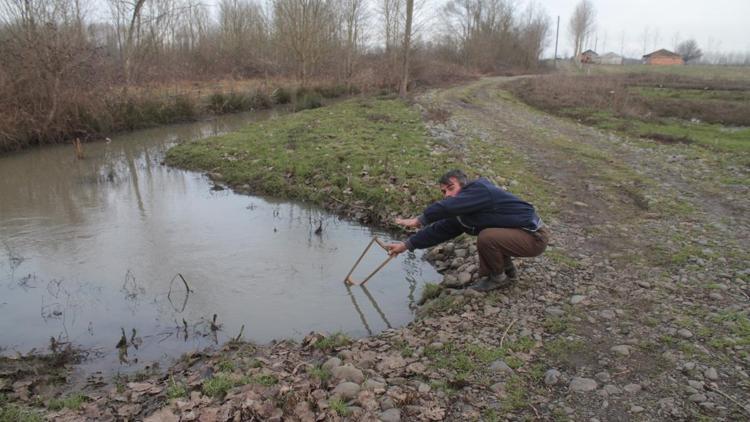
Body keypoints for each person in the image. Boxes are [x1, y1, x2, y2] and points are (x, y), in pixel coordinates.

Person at [386, 169, 548, 292]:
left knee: (487, 237)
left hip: (534, 238)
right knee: (491, 235)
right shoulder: (464, 211)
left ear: (464, 184)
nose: (448, 195)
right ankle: (508, 273)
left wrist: (420, 220)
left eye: (451, 188)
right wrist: (405, 246)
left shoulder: (480, 190)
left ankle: (498, 279)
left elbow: (447, 207)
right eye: (444, 192)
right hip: (518, 237)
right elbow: (439, 230)